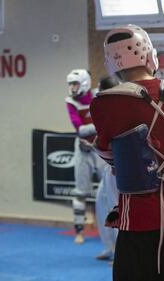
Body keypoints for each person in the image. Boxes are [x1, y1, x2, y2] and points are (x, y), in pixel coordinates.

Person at [90, 24, 164, 281]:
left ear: (111, 63)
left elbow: (108, 154)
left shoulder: (106, 104)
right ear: (150, 55)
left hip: (141, 214)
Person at [65, 69, 107, 244]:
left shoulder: (98, 96)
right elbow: (80, 129)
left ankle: (110, 230)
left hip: (100, 148)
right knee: (80, 192)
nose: (72, 88)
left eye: (75, 84)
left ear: (84, 82)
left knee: (108, 190)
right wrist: (100, 126)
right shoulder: (70, 102)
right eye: (70, 85)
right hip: (83, 150)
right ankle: (79, 231)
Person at [94, 76, 120, 261]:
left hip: (116, 166)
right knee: (101, 204)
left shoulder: (119, 108)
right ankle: (109, 248)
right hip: (105, 164)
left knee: (115, 208)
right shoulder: (102, 109)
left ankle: (121, 253)